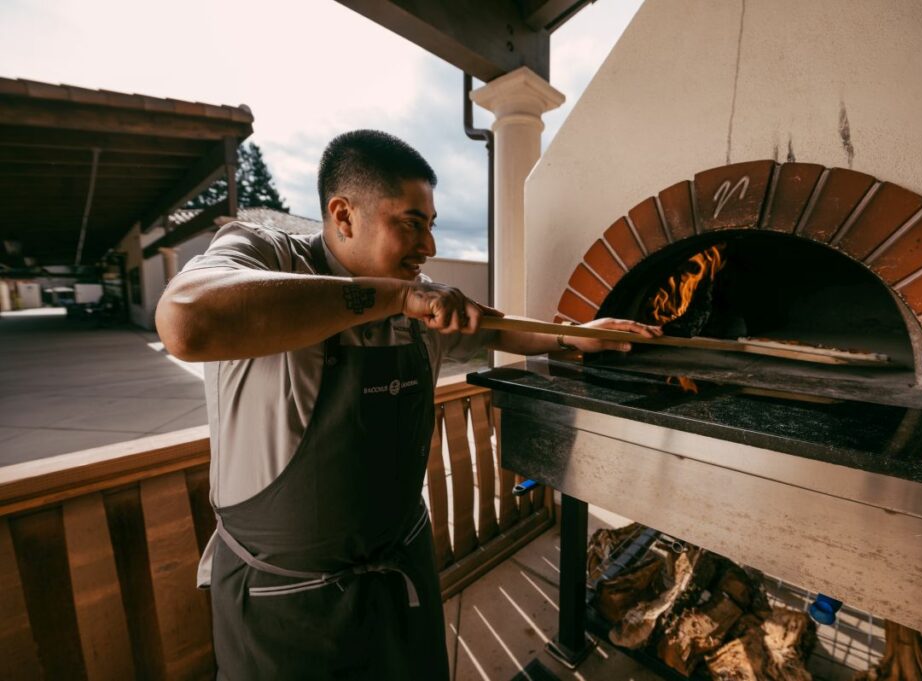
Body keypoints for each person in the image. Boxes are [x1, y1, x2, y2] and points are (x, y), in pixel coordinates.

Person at [156, 129, 661, 680]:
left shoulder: (416, 297)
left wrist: (577, 334)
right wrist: (397, 297)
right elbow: (186, 320)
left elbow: (493, 328)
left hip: (402, 569)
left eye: (431, 225)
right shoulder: (265, 253)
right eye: (412, 223)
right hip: (287, 602)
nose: (429, 247)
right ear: (343, 216)